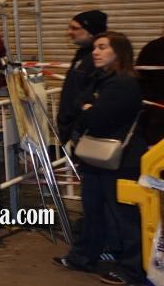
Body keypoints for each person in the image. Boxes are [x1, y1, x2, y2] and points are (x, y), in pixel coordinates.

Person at [53, 32, 147, 286]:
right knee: (93, 210)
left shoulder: (123, 83)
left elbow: (97, 119)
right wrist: (87, 108)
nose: (95, 52)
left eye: (102, 47)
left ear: (118, 52)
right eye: (95, 47)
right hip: (95, 156)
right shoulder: (99, 79)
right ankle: (83, 257)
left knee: (123, 216)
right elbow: (76, 105)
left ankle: (131, 270)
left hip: (120, 159)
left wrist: (88, 110)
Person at [57, 10, 107, 146]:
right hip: (72, 128)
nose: (69, 32)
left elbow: (92, 95)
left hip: (82, 131)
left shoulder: (97, 59)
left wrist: (77, 124)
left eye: (75, 28)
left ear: (91, 31)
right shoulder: (82, 55)